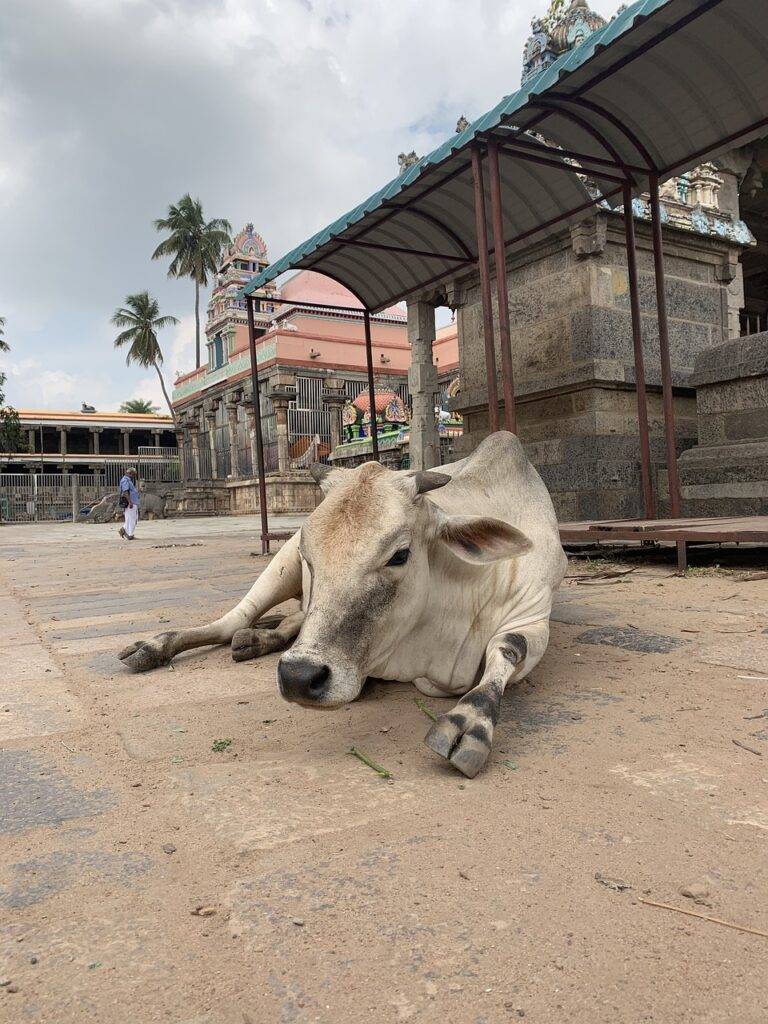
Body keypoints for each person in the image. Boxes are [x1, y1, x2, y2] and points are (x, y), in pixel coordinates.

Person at [118, 468, 140, 540]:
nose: (134, 476)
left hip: (133, 502)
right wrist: (130, 502)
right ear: (130, 473)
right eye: (133, 474)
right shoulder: (125, 480)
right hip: (131, 503)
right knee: (132, 519)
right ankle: (130, 534)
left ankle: (124, 530)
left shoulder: (128, 480)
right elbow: (125, 492)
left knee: (131, 519)